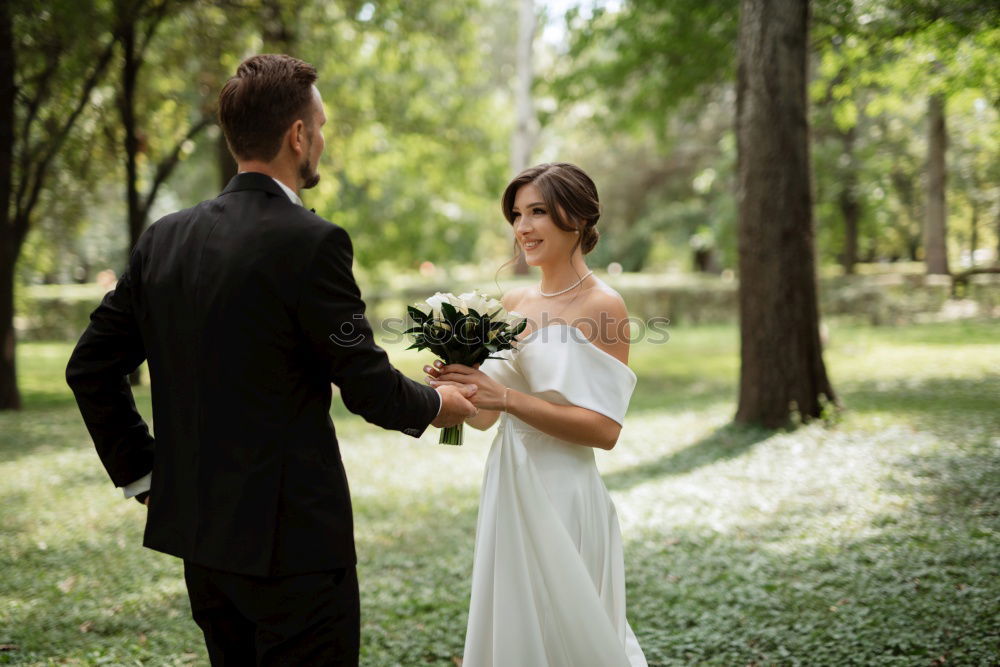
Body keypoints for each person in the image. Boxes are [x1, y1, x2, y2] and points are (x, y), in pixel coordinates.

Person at [64, 54, 478, 666]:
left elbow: (90, 367)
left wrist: (147, 476)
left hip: (203, 544)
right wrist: (441, 405)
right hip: (296, 548)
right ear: (298, 135)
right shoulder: (312, 242)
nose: (323, 141)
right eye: (323, 127)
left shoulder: (165, 238)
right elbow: (364, 382)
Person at [425, 162, 648, 666]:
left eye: (538, 212)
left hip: (564, 492)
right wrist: (455, 385)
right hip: (508, 484)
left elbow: (605, 431)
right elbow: (484, 418)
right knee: (516, 632)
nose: (523, 227)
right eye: (517, 214)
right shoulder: (514, 302)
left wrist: (505, 399)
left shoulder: (603, 305)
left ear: (578, 218)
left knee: (570, 631)